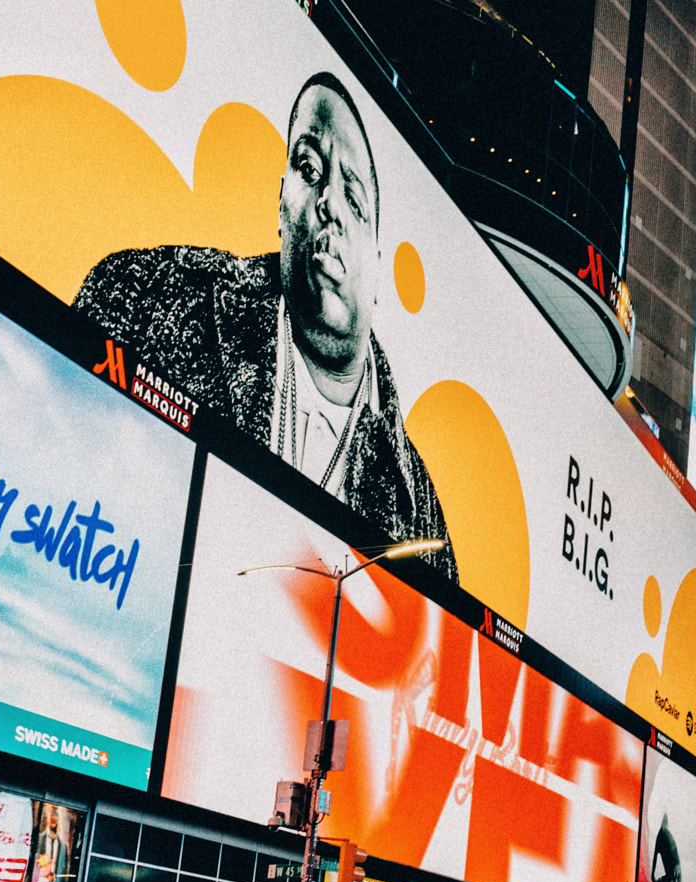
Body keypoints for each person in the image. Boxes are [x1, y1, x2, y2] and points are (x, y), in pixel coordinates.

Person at [75, 72, 454, 577]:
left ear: (379, 271)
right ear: (281, 202)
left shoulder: (423, 520)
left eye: (355, 198)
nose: (329, 204)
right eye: (308, 168)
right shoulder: (147, 296)